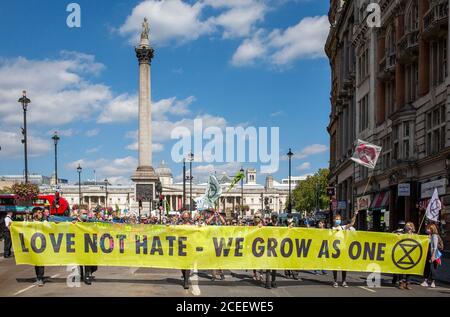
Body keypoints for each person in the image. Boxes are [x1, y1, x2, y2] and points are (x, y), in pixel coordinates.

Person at [331, 211, 358, 288]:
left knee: (344, 266)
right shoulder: (331, 229)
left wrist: (355, 215)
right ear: (334, 220)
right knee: (335, 266)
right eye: (336, 219)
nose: (338, 220)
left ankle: (343, 281)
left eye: (339, 219)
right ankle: (335, 281)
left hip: (343, 250)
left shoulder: (343, 227)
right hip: (335, 250)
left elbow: (352, 223)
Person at [206, 211, 226, 281]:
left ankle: (221, 274)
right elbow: (207, 222)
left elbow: (224, 222)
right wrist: (213, 215)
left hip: (220, 242)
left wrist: (219, 215)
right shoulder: (211, 223)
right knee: (213, 260)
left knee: (220, 260)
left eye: (216, 217)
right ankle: (213, 275)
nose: (216, 218)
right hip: (212, 243)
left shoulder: (220, 223)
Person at [421, 223, 443, 289]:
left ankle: (433, 282)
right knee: (427, 267)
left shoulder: (434, 236)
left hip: (433, 253)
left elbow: (435, 247)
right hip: (428, 253)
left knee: (432, 268)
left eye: (428, 228)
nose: (427, 229)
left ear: (432, 229)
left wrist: (433, 256)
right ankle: (425, 281)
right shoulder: (429, 236)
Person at [398, 222, 416, 290]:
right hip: (402, 253)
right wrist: (398, 236)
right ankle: (401, 283)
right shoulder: (402, 234)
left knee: (409, 269)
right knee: (401, 269)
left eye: (409, 226)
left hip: (411, 253)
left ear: (412, 227)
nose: (407, 227)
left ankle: (408, 283)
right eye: (406, 226)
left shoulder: (414, 235)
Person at [31, 209, 46, 286]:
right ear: (34, 214)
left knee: (40, 262)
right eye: (39, 212)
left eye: (41, 212)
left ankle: (40, 278)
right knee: (36, 262)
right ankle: (38, 277)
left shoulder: (44, 222)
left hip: (42, 245)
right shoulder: (30, 222)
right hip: (34, 245)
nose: (41, 214)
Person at [178, 211, 193, 289]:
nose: (186, 218)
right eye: (185, 216)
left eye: (187, 216)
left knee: (188, 265)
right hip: (181, 246)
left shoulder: (192, 225)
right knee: (182, 265)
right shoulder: (179, 225)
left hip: (189, 247)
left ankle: (186, 281)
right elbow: (174, 231)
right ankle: (185, 277)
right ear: (182, 217)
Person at [265, 213, 278, 289]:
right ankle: (268, 283)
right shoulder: (268, 226)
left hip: (276, 249)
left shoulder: (280, 226)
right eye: (274, 217)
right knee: (268, 267)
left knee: (274, 267)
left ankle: (273, 282)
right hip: (269, 249)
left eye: (276, 217)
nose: (275, 219)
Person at [284, 216, 300, 280]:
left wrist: (294, 228)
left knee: (295, 259)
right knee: (286, 259)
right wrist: (287, 228)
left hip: (294, 243)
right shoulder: (283, 224)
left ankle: (295, 274)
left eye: (290, 218)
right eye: (288, 218)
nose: (289, 219)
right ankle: (287, 274)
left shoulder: (295, 224)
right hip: (286, 243)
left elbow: (299, 232)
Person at [252, 212, 265, 282]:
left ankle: (261, 275)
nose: (257, 218)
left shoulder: (263, 226)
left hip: (261, 246)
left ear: (260, 219)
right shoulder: (251, 226)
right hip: (253, 246)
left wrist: (262, 227)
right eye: (255, 217)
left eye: (258, 217)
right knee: (254, 261)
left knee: (261, 261)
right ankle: (254, 274)